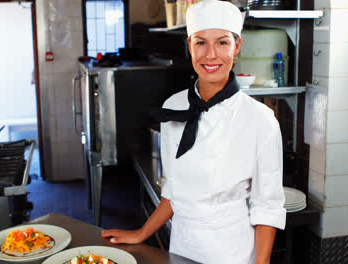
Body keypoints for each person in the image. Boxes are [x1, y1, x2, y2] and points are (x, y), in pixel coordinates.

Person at [101, 1, 286, 263]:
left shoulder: (260, 120)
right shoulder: (173, 107)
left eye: (222, 42)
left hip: (233, 254)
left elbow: (267, 206)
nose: (211, 55)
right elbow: (174, 191)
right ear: (189, 46)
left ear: (237, 47)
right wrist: (141, 233)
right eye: (200, 42)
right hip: (180, 250)